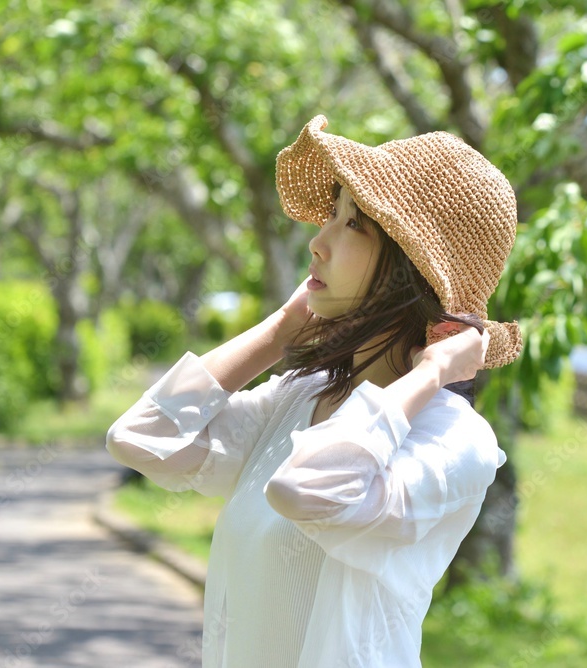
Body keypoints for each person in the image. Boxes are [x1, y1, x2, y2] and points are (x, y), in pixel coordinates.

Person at [106, 115, 523, 668]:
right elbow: (141, 436)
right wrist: (278, 333)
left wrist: (428, 375)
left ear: (409, 273)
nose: (318, 242)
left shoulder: (453, 439)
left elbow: (307, 492)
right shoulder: (301, 397)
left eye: (354, 226)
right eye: (332, 215)